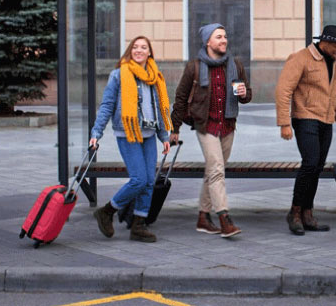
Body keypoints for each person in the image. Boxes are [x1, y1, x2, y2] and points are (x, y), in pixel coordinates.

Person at [275, 25, 336, 236]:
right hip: (305, 118)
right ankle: (294, 212)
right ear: (325, 42)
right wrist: (284, 123)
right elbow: (283, 90)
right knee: (310, 163)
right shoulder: (301, 58)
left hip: (326, 121)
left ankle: (307, 213)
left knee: (317, 167)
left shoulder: (335, 66)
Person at [170, 23, 251, 238]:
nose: (224, 40)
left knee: (213, 171)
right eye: (218, 37)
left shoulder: (235, 65)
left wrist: (243, 93)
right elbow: (180, 97)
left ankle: (203, 217)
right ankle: (224, 218)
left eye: (225, 36)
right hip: (205, 125)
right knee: (216, 170)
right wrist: (175, 127)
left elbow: (247, 95)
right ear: (208, 41)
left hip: (228, 125)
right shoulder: (194, 67)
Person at [89, 36, 173, 243]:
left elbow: (160, 110)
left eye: (143, 47)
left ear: (149, 53)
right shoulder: (118, 75)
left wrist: (164, 136)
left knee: (149, 182)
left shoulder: (155, 77)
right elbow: (107, 105)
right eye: (135, 47)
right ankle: (107, 211)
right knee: (139, 180)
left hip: (149, 136)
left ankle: (138, 225)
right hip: (127, 134)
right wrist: (96, 133)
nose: (139, 50)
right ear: (129, 51)